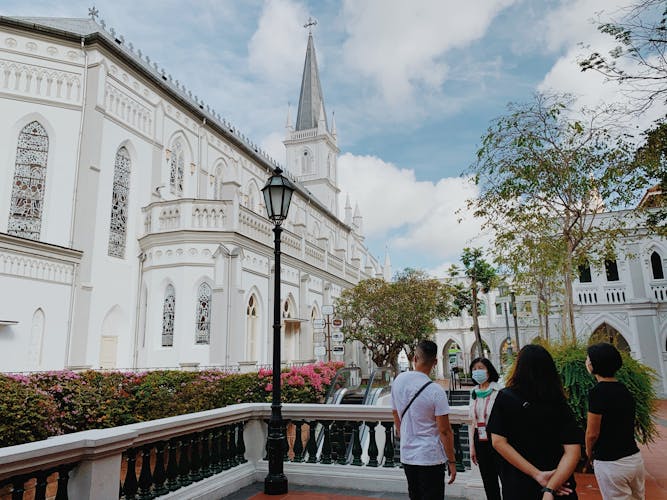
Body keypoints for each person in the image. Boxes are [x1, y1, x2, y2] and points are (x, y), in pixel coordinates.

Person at [487, 344, 582, 500]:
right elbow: (572, 452)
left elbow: (498, 442)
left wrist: (538, 475)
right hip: (560, 484)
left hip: (519, 485)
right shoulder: (559, 402)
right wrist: (551, 487)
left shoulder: (506, 398)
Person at [391, 339, 457, 499]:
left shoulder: (398, 381)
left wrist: (404, 436)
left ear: (415, 358)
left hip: (408, 455)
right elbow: (444, 431)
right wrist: (452, 461)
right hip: (430, 456)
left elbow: (396, 415)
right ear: (435, 362)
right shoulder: (436, 391)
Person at [585, 342, 645, 500]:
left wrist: (588, 452)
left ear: (593, 365)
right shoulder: (624, 390)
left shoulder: (597, 393)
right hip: (634, 459)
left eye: (588, 359)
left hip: (611, 463)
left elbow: (592, 433)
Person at [468, 357, 502, 500]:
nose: (477, 372)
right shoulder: (473, 392)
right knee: (488, 480)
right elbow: (472, 421)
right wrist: (472, 446)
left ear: (489, 370)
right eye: (474, 369)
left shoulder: (498, 390)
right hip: (480, 438)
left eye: (481, 368)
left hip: (497, 437)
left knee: (505, 477)